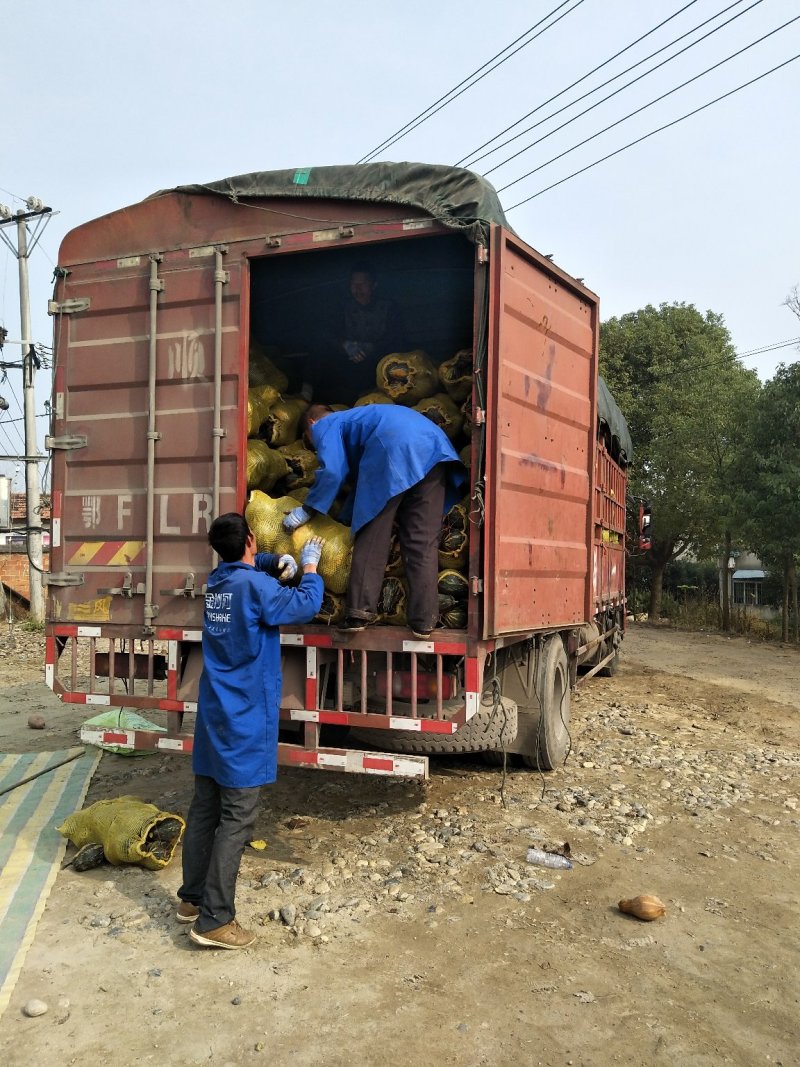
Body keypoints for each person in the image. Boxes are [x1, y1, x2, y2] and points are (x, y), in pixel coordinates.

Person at [177, 514, 324, 950]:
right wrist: (310, 567)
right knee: (237, 818)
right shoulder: (257, 589)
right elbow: (305, 605)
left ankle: (192, 898)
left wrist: (268, 559)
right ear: (250, 539)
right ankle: (215, 920)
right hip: (245, 715)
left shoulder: (218, 583)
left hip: (215, 713)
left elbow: (243, 565)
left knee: (205, 807)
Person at [282, 404, 465, 638]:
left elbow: (333, 472)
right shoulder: (362, 419)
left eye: (311, 441)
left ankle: (359, 612)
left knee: (372, 534)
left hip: (394, 447)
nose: (316, 446)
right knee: (422, 542)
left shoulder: (327, 424)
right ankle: (424, 621)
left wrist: (307, 509)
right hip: (434, 450)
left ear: (311, 424)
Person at [309, 263, 408, 404]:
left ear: (374, 285)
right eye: (354, 284)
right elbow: (326, 334)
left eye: (363, 284)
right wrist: (345, 345)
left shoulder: (389, 308)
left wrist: (372, 348)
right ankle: (306, 395)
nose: (358, 289)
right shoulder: (342, 308)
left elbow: (398, 339)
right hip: (349, 366)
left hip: (379, 366)